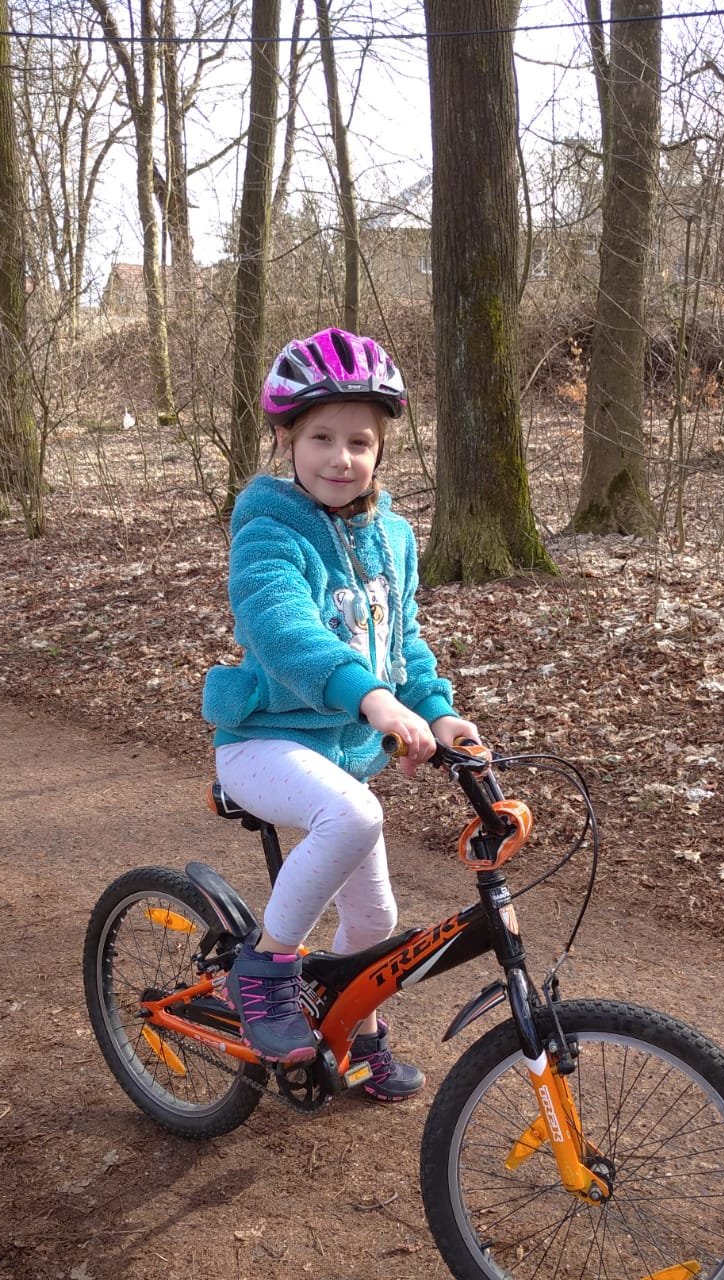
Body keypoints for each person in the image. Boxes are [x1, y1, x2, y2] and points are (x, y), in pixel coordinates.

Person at [202, 328, 479, 1102]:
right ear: (287, 440)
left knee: (377, 920)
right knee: (355, 815)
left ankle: (355, 1033)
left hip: (342, 756)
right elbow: (284, 632)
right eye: (321, 438)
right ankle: (264, 971)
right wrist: (372, 699)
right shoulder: (268, 529)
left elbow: (404, 644)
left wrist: (440, 714)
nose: (340, 457)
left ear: (381, 450)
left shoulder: (393, 537)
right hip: (264, 744)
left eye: (360, 441)